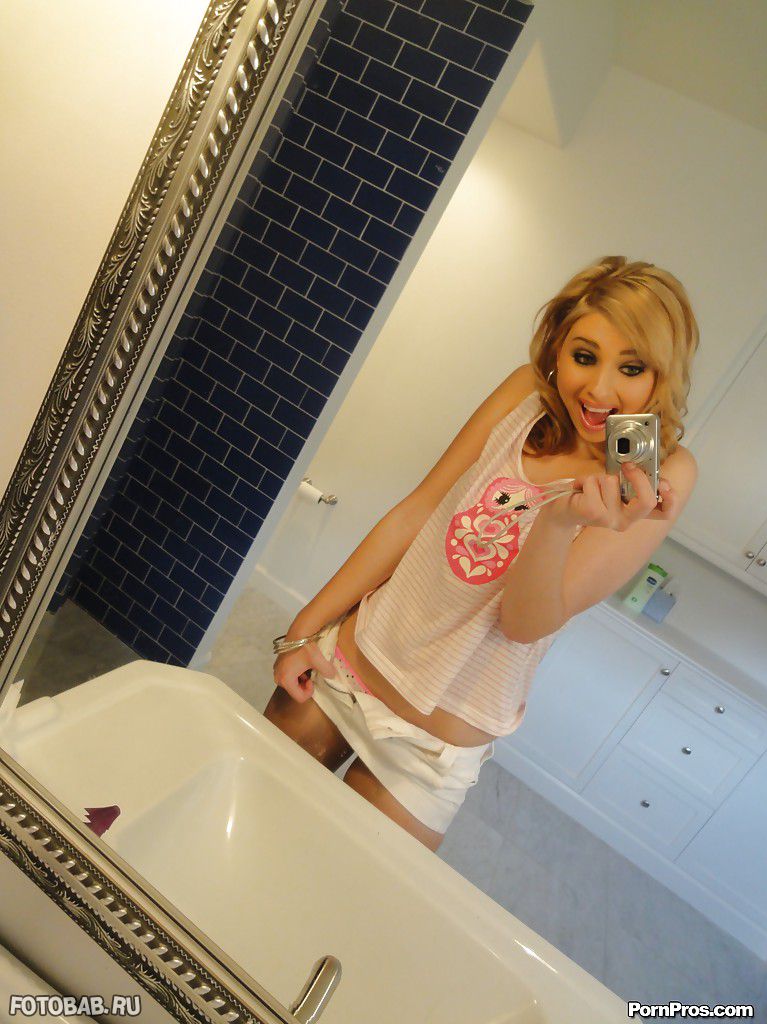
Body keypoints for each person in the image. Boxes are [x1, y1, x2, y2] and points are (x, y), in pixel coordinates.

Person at [264, 256, 699, 852]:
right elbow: (416, 513)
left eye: (631, 368)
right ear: (558, 346)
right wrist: (303, 630)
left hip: (433, 751)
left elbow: (524, 624)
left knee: (334, 895)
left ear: (662, 377)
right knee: (246, 824)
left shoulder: (662, 471)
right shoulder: (526, 394)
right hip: (349, 668)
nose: (599, 390)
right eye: (584, 356)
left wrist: (560, 521)